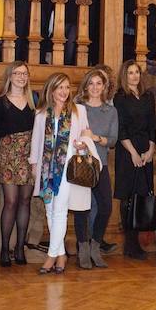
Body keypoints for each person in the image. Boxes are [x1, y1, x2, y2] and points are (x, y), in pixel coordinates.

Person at [29, 73, 99, 274]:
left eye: (67, 87)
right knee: (50, 211)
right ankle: (61, 254)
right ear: (51, 90)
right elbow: (36, 141)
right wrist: (34, 164)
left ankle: (51, 256)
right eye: (60, 87)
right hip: (46, 168)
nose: (64, 92)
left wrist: (82, 145)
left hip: (68, 167)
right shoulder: (42, 113)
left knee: (59, 210)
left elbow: (86, 136)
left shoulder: (79, 110)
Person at [0, 61, 37, 267]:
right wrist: (8, 145)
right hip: (9, 155)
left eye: (24, 73)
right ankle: (4, 249)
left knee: (25, 201)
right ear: (9, 76)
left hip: (29, 155)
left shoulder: (33, 100)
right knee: (10, 201)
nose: (21, 77)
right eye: (17, 73)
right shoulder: (0, 102)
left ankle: (20, 247)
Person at [74, 69, 118, 269]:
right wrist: (82, 142)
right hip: (81, 163)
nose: (94, 87)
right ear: (85, 86)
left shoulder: (110, 111)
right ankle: (82, 248)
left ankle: (95, 246)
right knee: (82, 208)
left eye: (98, 83)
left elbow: (113, 139)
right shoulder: (78, 108)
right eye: (90, 83)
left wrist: (96, 138)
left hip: (101, 164)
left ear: (104, 87)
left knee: (106, 207)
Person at [113, 60, 156, 260]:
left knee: (142, 196)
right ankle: (130, 244)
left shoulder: (148, 97)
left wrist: (150, 150)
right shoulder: (120, 98)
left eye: (137, 72)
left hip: (145, 150)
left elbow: (151, 126)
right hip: (127, 151)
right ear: (125, 75)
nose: (134, 76)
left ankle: (138, 242)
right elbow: (120, 128)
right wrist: (132, 152)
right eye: (130, 73)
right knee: (128, 197)